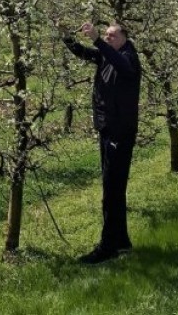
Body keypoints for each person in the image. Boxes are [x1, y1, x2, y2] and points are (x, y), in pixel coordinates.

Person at [62, 21, 142, 264]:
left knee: (111, 190)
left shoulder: (128, 59)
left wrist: (97, 39)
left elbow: (121, 65)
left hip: (120, 132)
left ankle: (107, 247)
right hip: (107, 129)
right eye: (106, 35)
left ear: (125, 38)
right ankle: (122, 242)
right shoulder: (108, 56)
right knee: (114, 189)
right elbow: (85, 53)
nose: (108, 39)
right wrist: (67, 37)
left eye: (112, 35)